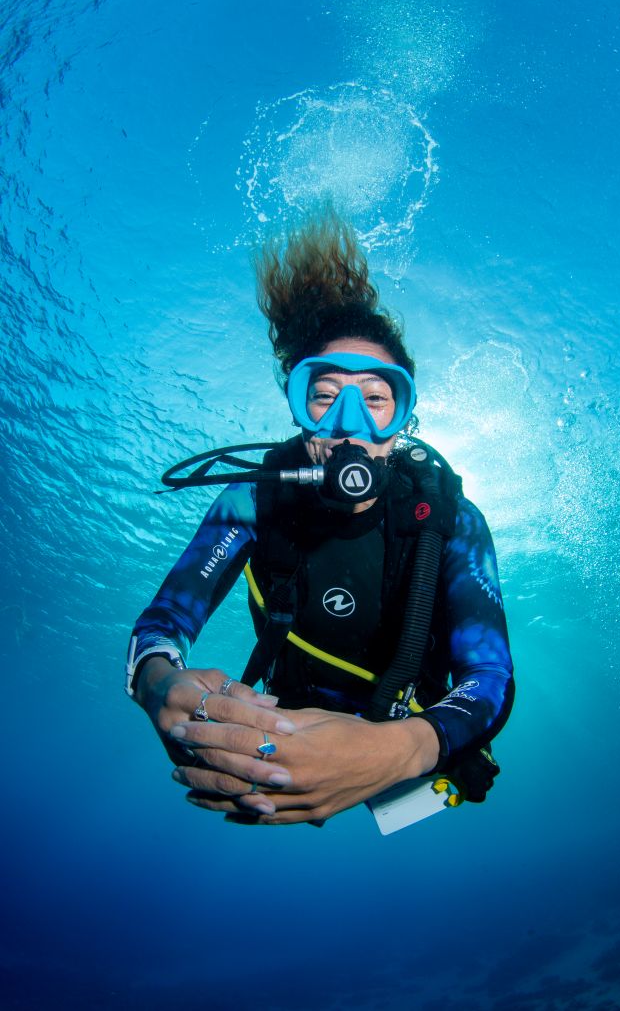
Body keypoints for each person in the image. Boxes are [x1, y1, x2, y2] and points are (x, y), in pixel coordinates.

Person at [126, 213, 515, 826]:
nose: (349, 425)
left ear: (402, 424)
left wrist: (400, 749)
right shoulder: (254, 500)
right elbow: (163, 623)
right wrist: (157, 683)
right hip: (292, 721)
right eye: (326, 396)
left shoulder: (448, 519)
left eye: (377, 401)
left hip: (408, 728)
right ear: (299, 410)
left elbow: (489, 674)